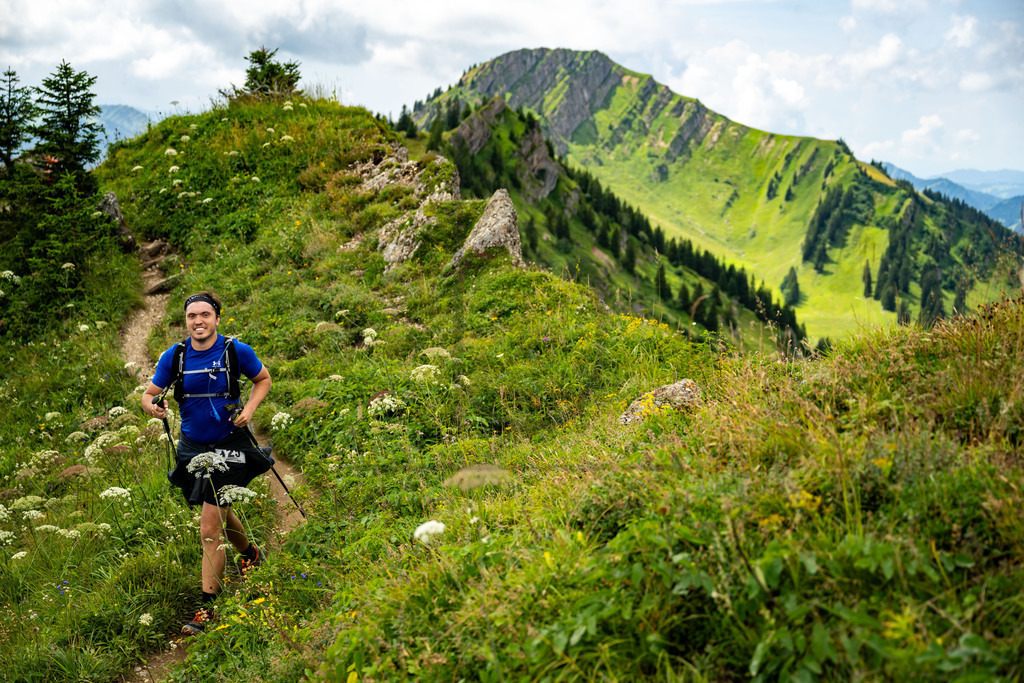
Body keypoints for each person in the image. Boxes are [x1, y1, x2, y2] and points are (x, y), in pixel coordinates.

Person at [142, 291, 273, 635]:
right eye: (191, 316)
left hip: (229, 448)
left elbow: (263, 379)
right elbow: (148, 394)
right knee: (221, 511)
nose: (198, 321)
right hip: (191, 449)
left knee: (209, 529)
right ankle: (251, 555)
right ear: (186, 321)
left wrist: (249, 410)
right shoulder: (176, 356)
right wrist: (153, 406)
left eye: (205, 315)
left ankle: (208, 610)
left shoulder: (234, 351)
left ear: (217, 318)